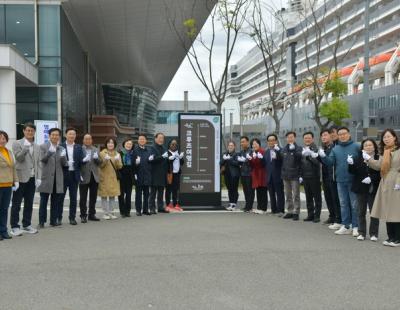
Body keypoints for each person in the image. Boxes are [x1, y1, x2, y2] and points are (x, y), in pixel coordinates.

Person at [319, 126, 360, 236]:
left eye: (344, 133)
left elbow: (363, 161)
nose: (342, 136)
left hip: (353, 180)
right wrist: (323, 156)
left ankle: (356, 226)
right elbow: (330, 162)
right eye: (340, 134)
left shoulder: (357, 146)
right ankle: (346, 225)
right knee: (343, 204)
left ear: (349, 134)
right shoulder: (335, 149)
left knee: (354, 204)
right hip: (340, 180)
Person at [366, 129, 400, 247]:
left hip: (396, 182)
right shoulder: (385, 151)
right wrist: (368, 159)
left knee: (396, 211)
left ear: (395, 137)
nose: (386, 139)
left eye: (388, 136)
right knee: (388, 211)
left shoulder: (399, 151)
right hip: (385, 182)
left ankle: (397, 238)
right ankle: (390, 237)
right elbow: (379, 166)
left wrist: (399, 182)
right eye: (384, 137)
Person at [10, 123, 40, 236]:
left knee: (29, 203)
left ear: (34, 132)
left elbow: (38, 163)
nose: (30, 132)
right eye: (28, 130)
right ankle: (14, 226)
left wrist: (38, 177)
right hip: (20, 178)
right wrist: (25, 148)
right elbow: (19, 158)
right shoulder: (17, 143)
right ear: (24, 131)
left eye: (32, 131)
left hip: (32, 178)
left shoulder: (37, 146)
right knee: (16, 203)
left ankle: (26, 224)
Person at [348, 139, 380, 241]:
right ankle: (361, 232)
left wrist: (372, 178)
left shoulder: (378, 157)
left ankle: (374, 234)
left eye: (370, 145)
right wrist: (351, 164)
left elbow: (381, 172)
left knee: (373, 212)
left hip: (373, 188)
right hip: (361, 187)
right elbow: (352, 172)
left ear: (374, 146)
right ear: (363, 148)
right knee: (361, 211)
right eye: (366, 145)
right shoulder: (358, 157)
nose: (368, 147)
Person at [37, 128, 67, 228]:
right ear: (49, 136)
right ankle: (41, 221)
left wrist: (63, 158)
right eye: (53, 135)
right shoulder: (43, 146)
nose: (55, 136)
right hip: (46, 178)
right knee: (43, 201)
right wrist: (49, 152)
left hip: (57, 178)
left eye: (57, 135)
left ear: (59, 136)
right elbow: (42, 160)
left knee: (55, 201)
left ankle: (53, 220)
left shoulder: (61, 148)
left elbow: (64, 164)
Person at [60, 127, 86, 225]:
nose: (72, 136)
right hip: (64, 174)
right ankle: (59, 217)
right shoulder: (61, 146)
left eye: (73, 134)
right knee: (60, 197)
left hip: (74, 175)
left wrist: (84, 160)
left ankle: (72, 217)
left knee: (73, 198)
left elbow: (81, 162)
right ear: (66, 135)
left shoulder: (78, 147)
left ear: (75, 136)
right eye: (70, 134)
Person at [319, 129, 341, 228]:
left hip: (333, 176)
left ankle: (337, 218)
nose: (324, 137)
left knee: (335, 198)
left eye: (325, 135)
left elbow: (330, 161)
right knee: (328, 197)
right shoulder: (325, 147)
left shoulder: (334, 147)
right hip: (325, 176)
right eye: (322, 136)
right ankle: (332, 216)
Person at [0, 130, 18, 240]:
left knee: (4, 209)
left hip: (7, 185)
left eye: (4, 138)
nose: (2, 140)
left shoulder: (9, 151)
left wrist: (16, 181)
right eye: (0, 138)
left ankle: (3, 230)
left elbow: (13, 168)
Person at [98, 137, 122, 220]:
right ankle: (105, 213)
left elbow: (120, 166)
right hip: (104, 177)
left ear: (114, 144)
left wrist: (118, 160)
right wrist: (105, 160)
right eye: (109, 143)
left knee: (112, 196)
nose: (110, 144)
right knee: (104, 196)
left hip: (113, 178)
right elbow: (100, 166)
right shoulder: (102, 153)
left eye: (112, 143)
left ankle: (111, 212)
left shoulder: (117, 153)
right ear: (106, 144)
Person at [300, 132, 322, 223]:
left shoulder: (317, 149)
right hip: (305, 177)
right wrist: (300, 175)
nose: (307, 140)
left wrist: (309, 157)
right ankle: (310, 214)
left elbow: (318, 164)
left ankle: (317, 215)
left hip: (314, 177)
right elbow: (300, 164)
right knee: (308, 197)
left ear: (312, 139)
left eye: (309, 138)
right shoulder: (302, 150)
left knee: (317, 197)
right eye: (305, 138)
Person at [79, 134, 101, 223]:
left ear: (92, 140)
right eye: (86, 139)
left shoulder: (96, 149)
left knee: (93, 197)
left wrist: (96, 159)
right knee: (83, 197)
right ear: (83, 140)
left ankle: (92, 214)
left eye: (89, 139)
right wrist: (83, 161)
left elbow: (100, 163)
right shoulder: (79, 149)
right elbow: (78, 163)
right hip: (83, 176)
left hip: (94, 176)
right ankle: (83, 215)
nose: (88, 140)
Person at [280, 131, 302, 221]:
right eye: (288, 137)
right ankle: (289, 211)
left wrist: (294, 150)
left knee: (296, 194)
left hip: (295, 175)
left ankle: (296, 212)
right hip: (285, 175)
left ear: (294, 138)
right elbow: (281, 160)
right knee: (288, 194)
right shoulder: (284, 149)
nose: (290, 139)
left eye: (292, 137)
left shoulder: (298, 148)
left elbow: (300, 158)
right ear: (286, 139)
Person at [264, 134, 285, 216]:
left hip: (278, 176)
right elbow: (264, 164)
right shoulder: (266, 152)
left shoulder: (281, 150)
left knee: (280, 194)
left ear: (276, 141)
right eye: (269, 141)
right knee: (271, 194)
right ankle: (273, 210)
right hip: (269, 177)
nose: (271, 142)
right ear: (267, 142)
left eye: (273, 140)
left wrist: (278, 151)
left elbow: (284, 160)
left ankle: (281, 210)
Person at [148, 133, 169, 214]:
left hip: (162, 173)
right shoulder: (152, 148)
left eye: (162, 138)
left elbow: (165, 161)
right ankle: (152, 208)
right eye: (159, 138)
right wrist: (162, 157)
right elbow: (151, 160)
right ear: (155, 139)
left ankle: (160, 207)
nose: (161, 139)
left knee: (161, 192)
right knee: (153, 193)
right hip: (154, 173)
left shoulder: (164, 148)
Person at [134, 134, 152, 216]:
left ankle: (145, 209)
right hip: (139, 174)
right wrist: (136, 163)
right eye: (140, 139)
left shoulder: (148, 150)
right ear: (138, 141)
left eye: (143, 139)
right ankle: (138, 210)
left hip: (147, 174)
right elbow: (132, 163)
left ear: (146, 141)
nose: (142, 140)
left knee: (146, 194)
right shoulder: (135, 150)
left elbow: (151, 163)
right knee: (138, 194)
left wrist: (151, 160)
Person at [248, 138, 268, 214]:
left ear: (259, 144)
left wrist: (261, 158)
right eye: (253, 144)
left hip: (262, 173)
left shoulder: (262, 151)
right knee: (258, 191)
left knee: (263, 191)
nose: (254, 145)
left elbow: (264, 164)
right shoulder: (253, 153)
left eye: (256, 143)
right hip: (256, 174)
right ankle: (259, 207)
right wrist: (250, 160)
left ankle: (263, 208)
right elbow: (252, 165)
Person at [165, 139, 184, 212]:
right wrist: (171, 158)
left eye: (175, 144)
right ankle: (168, 204)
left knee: (175, 189)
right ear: (169, 145)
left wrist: (181, 157)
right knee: (168, 189)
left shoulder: (178, 152)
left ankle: (175, 204)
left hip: (177, 174)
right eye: (172, 144)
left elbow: (182, 163)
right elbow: (166, 162)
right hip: (169, 173)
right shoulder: (167, 153)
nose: (174, 146)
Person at [221, 141, 241, 211]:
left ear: (234, 146)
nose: (230, 147)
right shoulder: (224, 154)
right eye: (229, 145)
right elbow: (220, 163)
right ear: (227, 146)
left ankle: (234, 204)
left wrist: (229, 159)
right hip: (227, 174)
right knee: (229, 189)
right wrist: (224, 159)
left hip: (235, 175)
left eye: (232, 145)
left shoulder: (237, 154)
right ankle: (231, 203)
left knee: (234, 189)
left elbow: (237, 163)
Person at [118, 138, 135, 217]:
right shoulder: (120, 153)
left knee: (128, 195)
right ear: (124, 144)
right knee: (121, 195)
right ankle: (122, 211)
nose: (129, 145)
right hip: (122, 177)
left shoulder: (133, 154)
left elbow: (134, 167)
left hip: (130, 177)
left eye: (130, 144)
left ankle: (127, 211)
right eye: (127, 144)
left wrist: (136, 163)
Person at [237, 136, 254, 212]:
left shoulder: (251, 151)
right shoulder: (241, 152)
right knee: (245, 191)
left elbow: (250, 161)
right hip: (243, 174)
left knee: (250, 191)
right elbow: (239, 162)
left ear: (247, 142)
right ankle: (247, 206)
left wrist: (245, 161)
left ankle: (249, 206)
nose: (242, 143)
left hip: (249, 174)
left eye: (243, 142)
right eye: (241, 142)